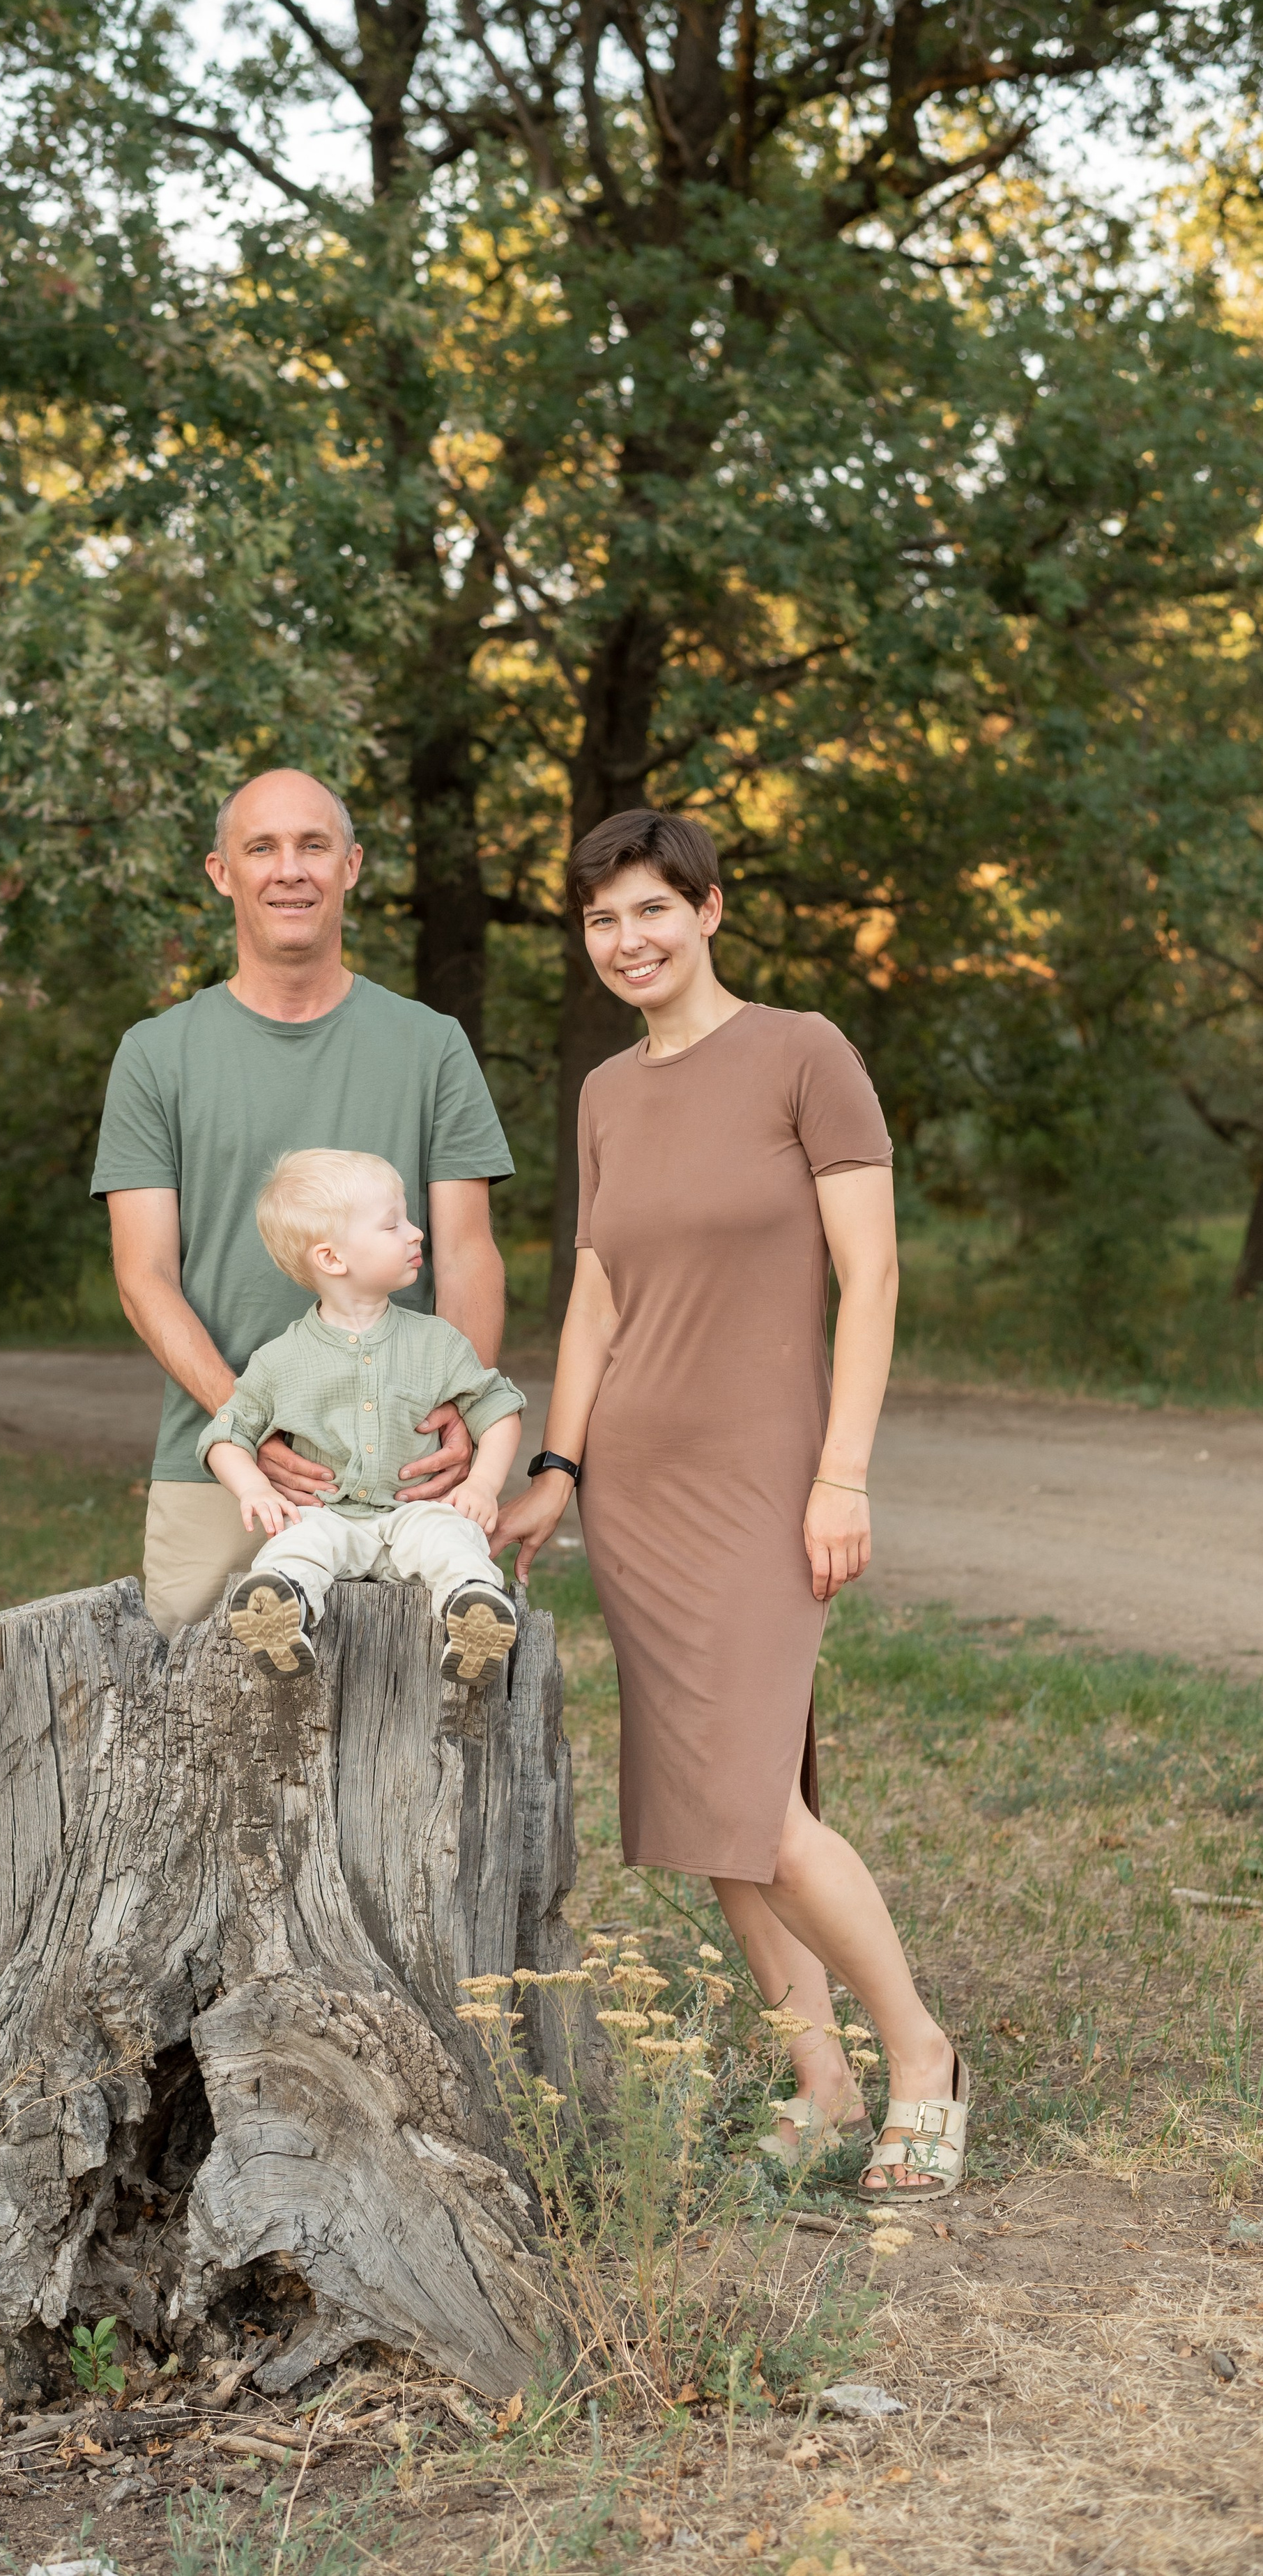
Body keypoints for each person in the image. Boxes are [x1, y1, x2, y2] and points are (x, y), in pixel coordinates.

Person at [494, 808, 967, 2201]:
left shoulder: (801, 1052)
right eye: (599, 921)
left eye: (650, 909)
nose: (626, 940)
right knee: (705, 1803)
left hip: (768, 1474)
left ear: (706, 909)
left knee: (756, 1805)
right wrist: (558, 1469)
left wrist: (841, 1471)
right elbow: (594, 1294)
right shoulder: (602, 1096)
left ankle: (921, 2059)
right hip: (634, 1486)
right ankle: (818, 2086)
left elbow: (869, 1280)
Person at [92, 769, 513, 1638]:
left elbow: (468, 1251)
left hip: (409, 1478)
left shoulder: (431, 1046)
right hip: (220, 1471)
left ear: (350, 866)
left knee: (415, 1733)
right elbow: (143, 1276)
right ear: (222, 873)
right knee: (192, 1729)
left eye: (313, 845)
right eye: (263, 847)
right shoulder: (155, 1055)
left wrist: (458, 1420)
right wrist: (248, 1428)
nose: (291, 869)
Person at [199, 1148, 525, 1684]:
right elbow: (227, 1435)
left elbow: (499, 1411)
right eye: (393, 1223)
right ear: (332, 1259)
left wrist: (485, 1484)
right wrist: (253, 1487)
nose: (416, 1232)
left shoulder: (437, 1342)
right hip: (328, 1515)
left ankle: (475, 1614)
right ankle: (279, 1609)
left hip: (418, 1512)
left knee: (453, 1539)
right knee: (295, 1546)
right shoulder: (280, 1360)